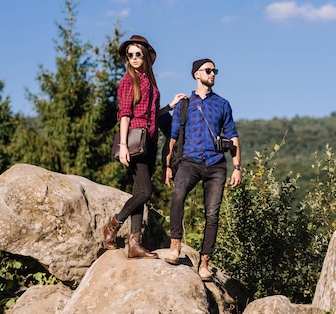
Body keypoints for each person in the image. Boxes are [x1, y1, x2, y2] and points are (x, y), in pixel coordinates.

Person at [102, 34, 186, 258]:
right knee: (145, 192)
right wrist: (122, 145)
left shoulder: (149, 82)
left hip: (148, 141)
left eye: (138, 54)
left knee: (139, 192)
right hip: (133, 141)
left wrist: (170, 106)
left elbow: (151, 116)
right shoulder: (129, 81)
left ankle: (134, 245)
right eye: (130, 55)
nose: (134, 58)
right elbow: (125, 115)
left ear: (146, 56)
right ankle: (112, 226)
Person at [164, 58, 242, 281]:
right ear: (196, 75)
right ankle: (175, 245)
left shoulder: (223, 104)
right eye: (208, 70)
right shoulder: (184, 104)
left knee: (212, 214)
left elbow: (233, 136)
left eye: (215, 70)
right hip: (190, 161)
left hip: (216, 164)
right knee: (178, 196)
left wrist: (237, 167)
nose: (213, 74)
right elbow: (173, 137)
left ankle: (205, 262)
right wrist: (167, 166)